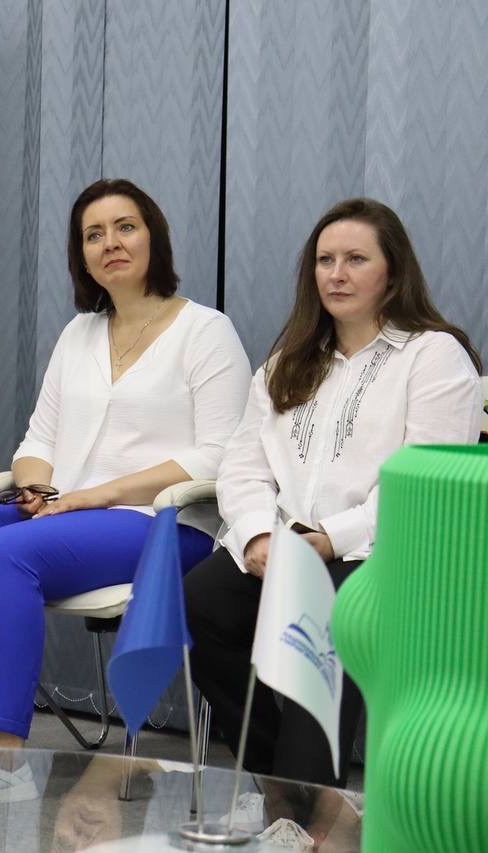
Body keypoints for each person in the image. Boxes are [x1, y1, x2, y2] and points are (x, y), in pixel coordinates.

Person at [0, 178, 252, 806]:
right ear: (82, 256)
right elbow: (39, 436)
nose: (110, 243)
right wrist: (37, 489)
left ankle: (5, 756)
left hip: (165, 525)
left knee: (9, 551)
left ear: (154, 238)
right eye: (94, 234)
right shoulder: (81, 334)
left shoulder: (205, 330)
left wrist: (97, 496)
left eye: (125, 227)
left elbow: (221, 453)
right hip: (64, 515)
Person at [184, 197, 483, 788]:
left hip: (382, 553)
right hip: (285, 544)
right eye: (325, 260)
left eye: (355, 259)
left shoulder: (433, 355)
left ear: (393, 272)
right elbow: (242, 466)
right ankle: (281, 781)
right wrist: (258, 537)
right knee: (197, 603)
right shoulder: (287, 362)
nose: (337, 274)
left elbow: (425, 482)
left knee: (321, 616)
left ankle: (303, 811)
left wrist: (330, 539)